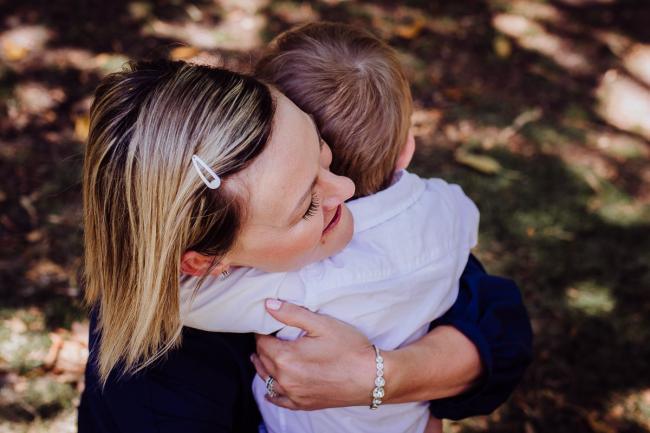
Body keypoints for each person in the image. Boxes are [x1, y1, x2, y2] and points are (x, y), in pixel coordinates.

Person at [78, 58, 532, 433]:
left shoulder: (332, 218)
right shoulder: (157, 388)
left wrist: (380, 376)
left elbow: (502, 330)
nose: (348, 189)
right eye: (305, 207)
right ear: (202, 262)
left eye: (323, 151)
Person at [181, 22, 483, 433]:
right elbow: (468, 222)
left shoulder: (303, 275)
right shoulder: (449, 207)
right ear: (407, 148)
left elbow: (183, 301)